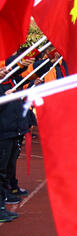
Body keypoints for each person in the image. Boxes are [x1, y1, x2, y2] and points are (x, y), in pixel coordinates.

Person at [0, 53, 36, 222]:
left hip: (12, 129)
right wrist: (4, 97)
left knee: (6, 168)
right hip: (3, 130)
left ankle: (3, 201)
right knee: (1, 170)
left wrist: (22, 64)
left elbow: (13, 70)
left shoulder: (9, 79)